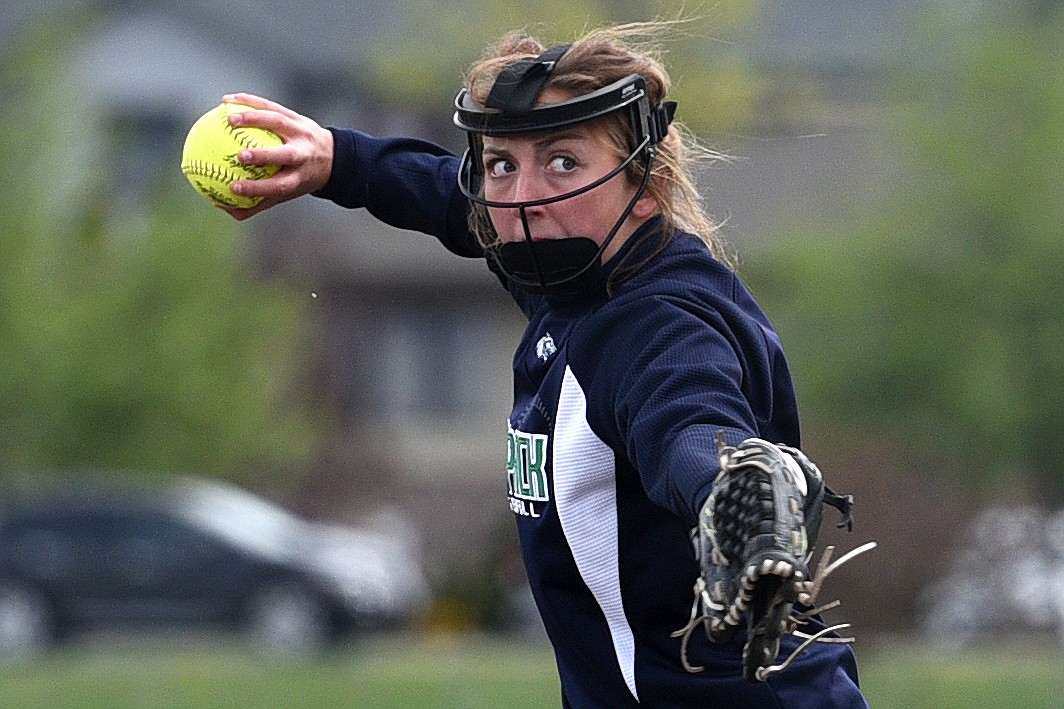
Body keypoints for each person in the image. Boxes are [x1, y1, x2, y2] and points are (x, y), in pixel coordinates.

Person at [217, 22, 871, 708]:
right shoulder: (576, 270)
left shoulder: (657, 322)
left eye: (563, 162)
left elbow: (688, 419)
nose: (524, 194)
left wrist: (731, 486)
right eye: (502, 163)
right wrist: (338, 160)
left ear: (646, 184)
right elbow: (452, 196)